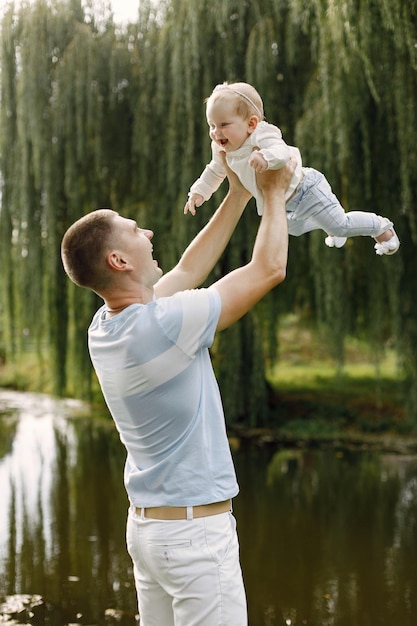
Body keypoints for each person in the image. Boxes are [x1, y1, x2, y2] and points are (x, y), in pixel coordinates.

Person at [61, 154, 295, 626]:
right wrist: (274, 193)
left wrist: (238, 192)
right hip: (195, 541)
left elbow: (189, 271)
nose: (147, 233)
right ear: (119, 260)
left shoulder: (106, 326)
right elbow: (268, 269)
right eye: (134, 230)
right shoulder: (164, 326)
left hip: (151, 534)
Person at [185, 81, 400, 256]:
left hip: (306, 189)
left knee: (340, 225)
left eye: (223, 125)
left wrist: (265, 157)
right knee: (292, 230)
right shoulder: (220, 148)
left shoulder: (261, 134)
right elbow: (214, 170)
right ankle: (328, 224)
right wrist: (199, 192)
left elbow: (282, 151)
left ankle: (381, 227)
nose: (216, 132)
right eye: (211, 125)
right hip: (284, 202)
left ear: (251, 124)